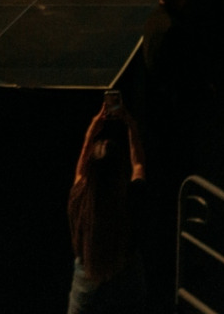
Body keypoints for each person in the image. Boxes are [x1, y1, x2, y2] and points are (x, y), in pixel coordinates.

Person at [66, 97, 148, 314]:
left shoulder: (78, 196)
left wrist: (92, 130)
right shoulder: (131, 197)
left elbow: (81, 169)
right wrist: (131, 125)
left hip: (87, 280)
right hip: (126, 278)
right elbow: (138, 164)